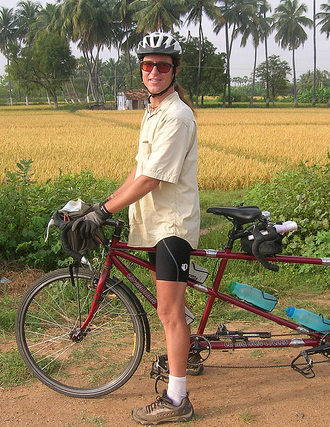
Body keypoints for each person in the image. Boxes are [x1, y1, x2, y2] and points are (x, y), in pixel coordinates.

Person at [72, 32, 199, 425]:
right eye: (148, 65)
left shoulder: (177, 116)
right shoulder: (153, 110)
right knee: (171, 304)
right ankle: (189, 351)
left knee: (169, 312)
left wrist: (102, 211)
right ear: (141, 70)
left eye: (163, 65)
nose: (154, 71)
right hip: (154, 223)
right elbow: (139, 169)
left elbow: (152, 181)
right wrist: (102, 205)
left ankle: (177, 400)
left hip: (171, 225)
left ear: (175, 71)